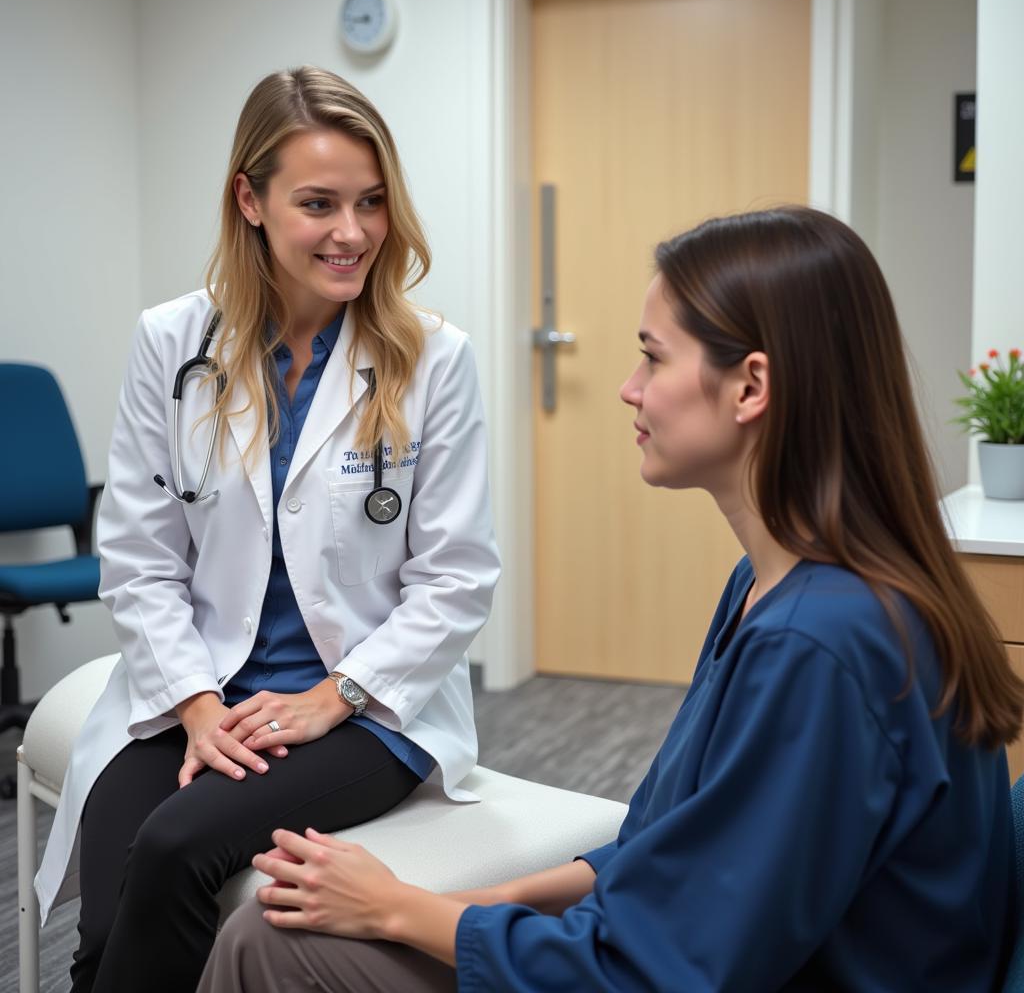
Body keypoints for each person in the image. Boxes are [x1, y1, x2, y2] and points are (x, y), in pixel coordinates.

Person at [199, 206, 1023, 992]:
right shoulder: (774, 591)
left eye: (654, 358)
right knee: (287, 930)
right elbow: (668, 841)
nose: (629, 389)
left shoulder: (818, 642)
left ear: (751, 387)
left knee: (272, 949)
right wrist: (451, 908)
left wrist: (401, 910)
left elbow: (662, 970)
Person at [33, 66, 501, 992]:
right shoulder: (172, 343)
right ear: (248, 198)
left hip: (364, 710)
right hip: (195, 687)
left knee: (172, 848)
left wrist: (334, 696)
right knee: (109, 910)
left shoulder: (433, 359)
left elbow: (457, 579)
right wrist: (201, 708)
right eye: (318, 203)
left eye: (372, 202)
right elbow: (138, 559)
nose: (354, 232)